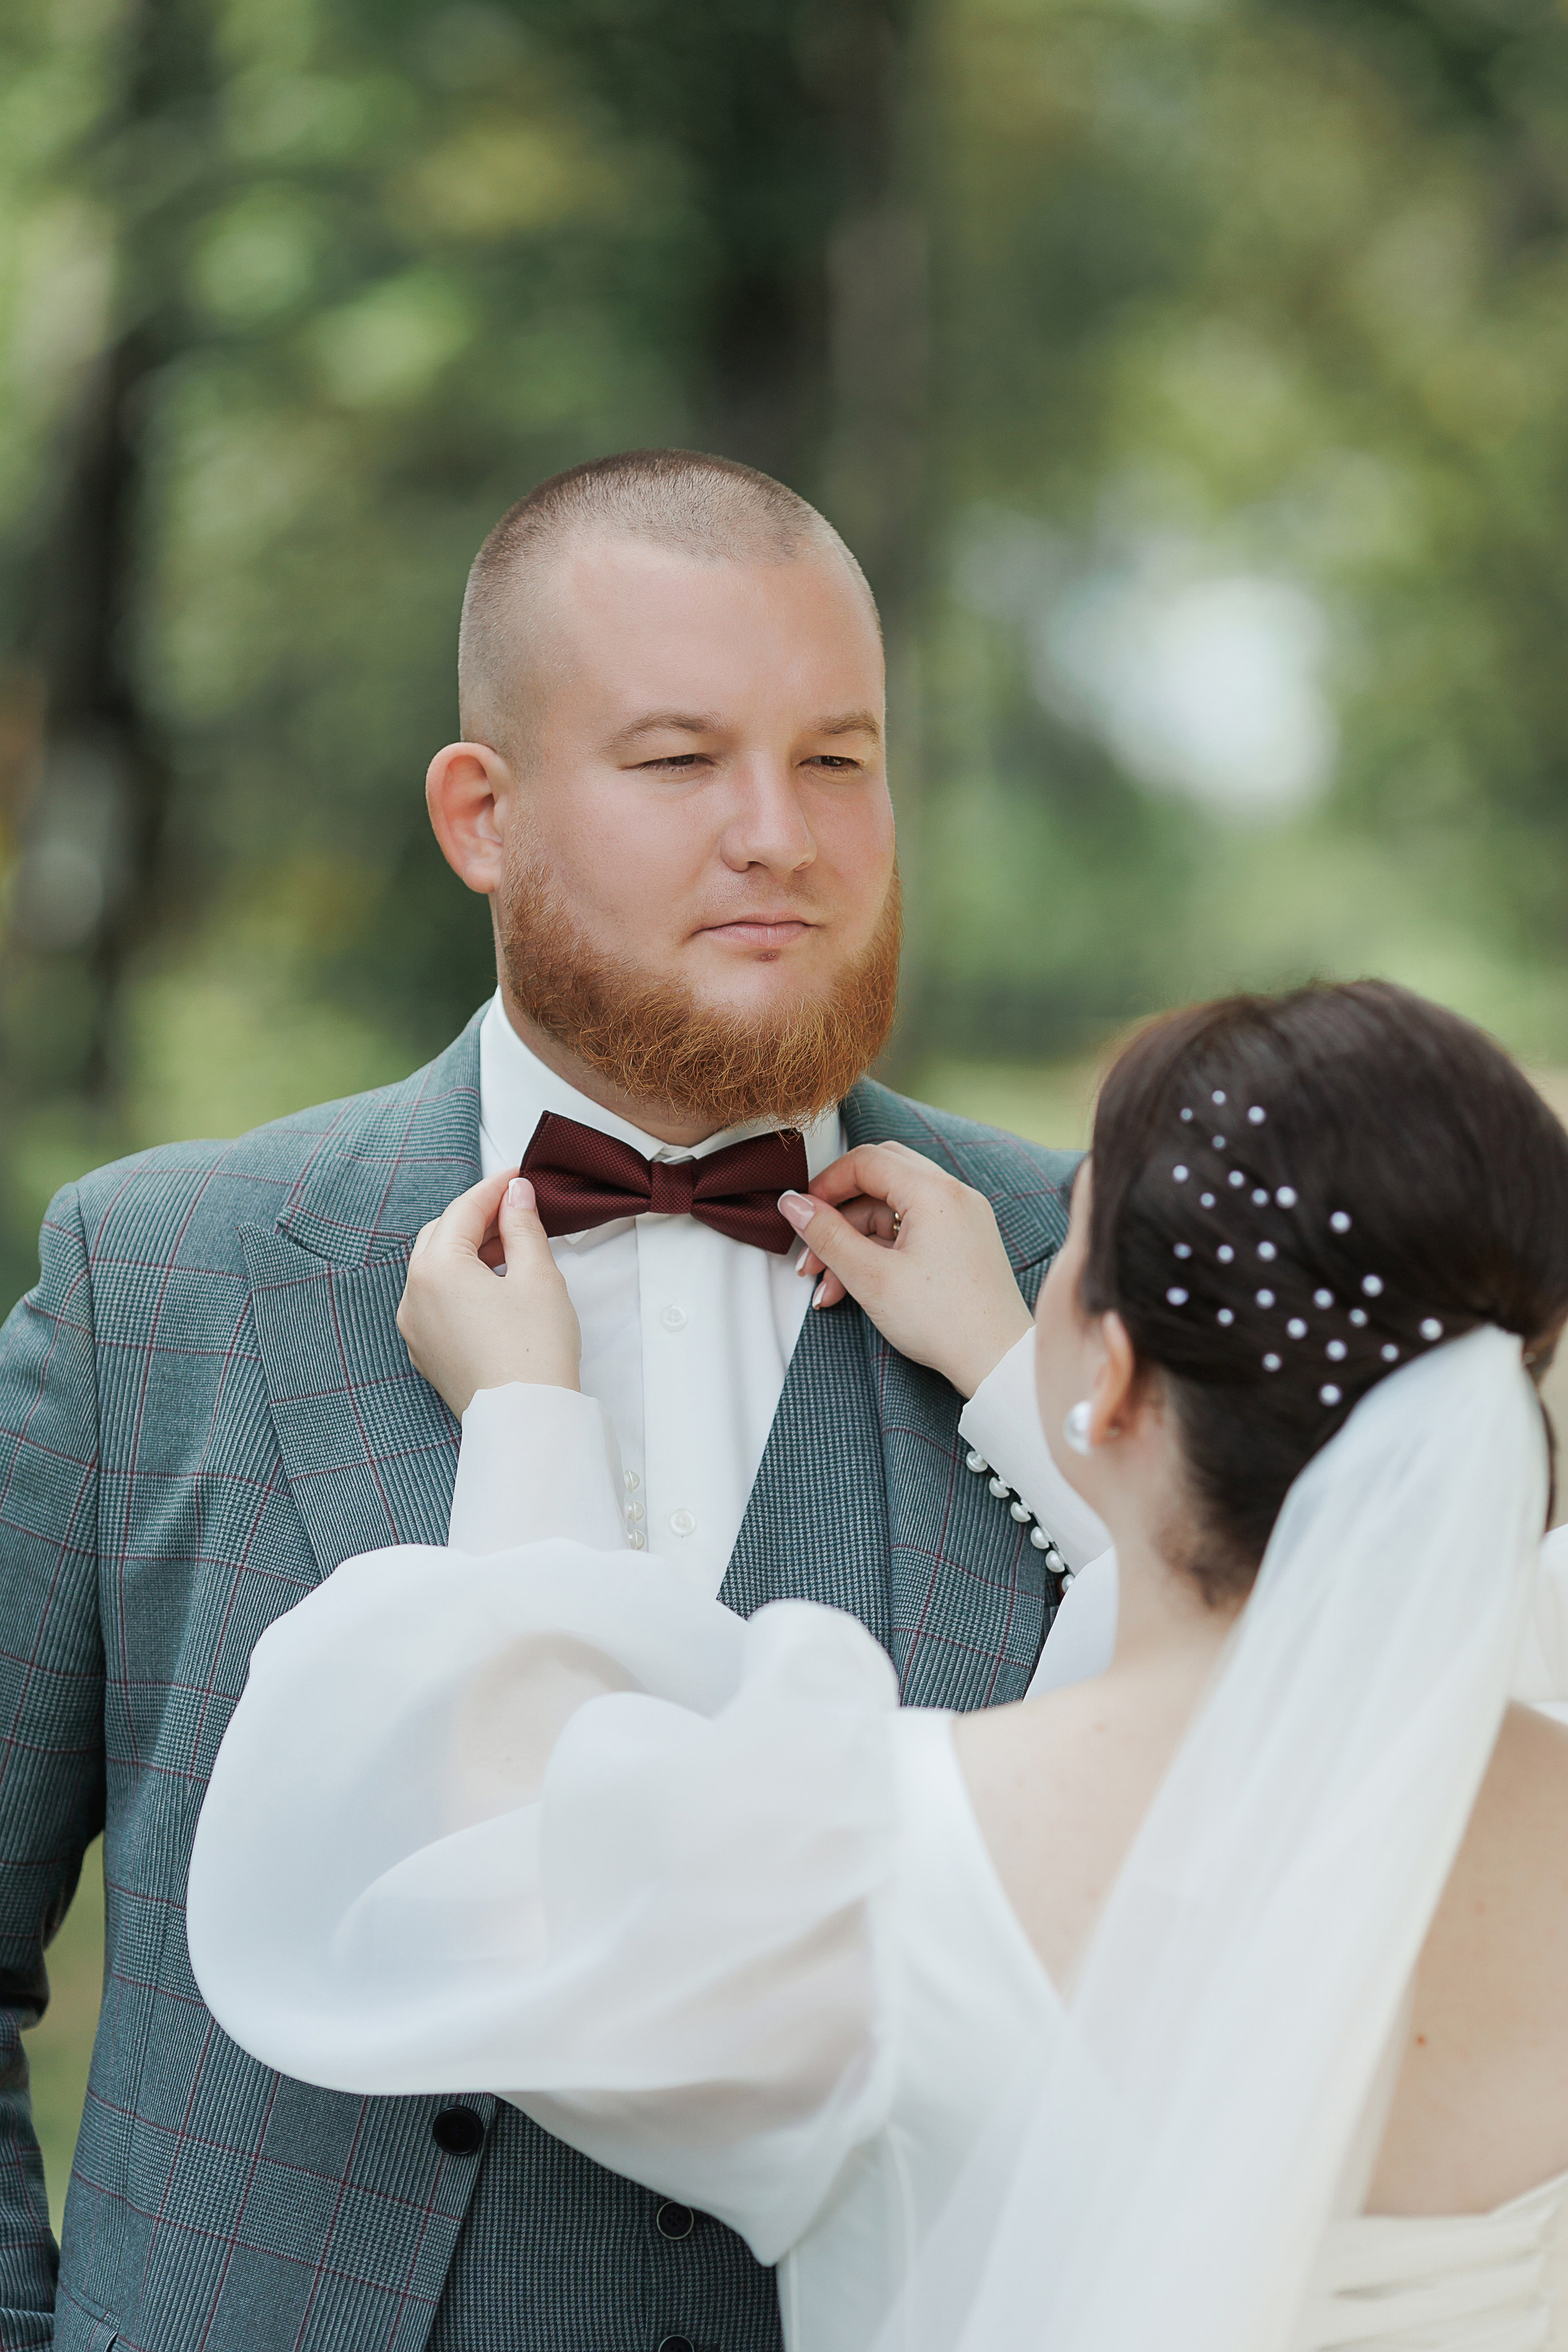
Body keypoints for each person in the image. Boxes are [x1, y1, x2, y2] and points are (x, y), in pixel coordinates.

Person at [0, 448, 1087, 2352]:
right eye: (679, 761)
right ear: (481, 815)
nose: (782, 834)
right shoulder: (156, 1285)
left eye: (838, 756)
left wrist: (1029, 1394)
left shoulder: (1085, 1273)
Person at [189, 979, 1568, 2352]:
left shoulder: (901, 1867)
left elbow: (517, 1881)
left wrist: (526, 1425)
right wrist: (1002, 1360)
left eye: (1066, 1259)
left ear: (1121, 1377)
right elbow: (1318, 1614)